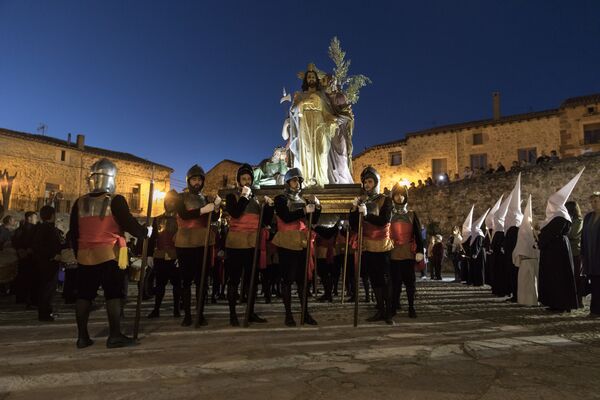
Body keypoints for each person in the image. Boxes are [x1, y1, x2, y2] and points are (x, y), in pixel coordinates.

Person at [69, 159, 151, 349]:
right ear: (111, 178)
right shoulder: (116, 200)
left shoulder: (79, 202)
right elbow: (129, 223)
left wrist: (79, 253)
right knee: (113, 295)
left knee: (84, 296)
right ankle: (114, 336)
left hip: (84, 256)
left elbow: (74, 233)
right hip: (109, 255)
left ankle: (82, 337)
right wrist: (145, 232)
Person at [224, 164, 273, 326]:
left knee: (252, 280)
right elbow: (236, 212)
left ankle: (250, 312)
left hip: (252, 243)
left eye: (249, 179)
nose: (246, 181)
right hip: (236, 244)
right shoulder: (232, 197)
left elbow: (265, 222)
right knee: (234, 279)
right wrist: (244, 197)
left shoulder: (256, 199)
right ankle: (232, 314)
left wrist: (269, 207)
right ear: (239, 180)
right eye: (243, 179)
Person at [272, 168, 321, 326]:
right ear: (287, 182)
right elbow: (285, 217)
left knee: (302, 281)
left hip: (302, 242)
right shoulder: (280, 199)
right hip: (286, 242)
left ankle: (305, 313)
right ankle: (288, 314)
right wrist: (304, 210)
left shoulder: (304, 200)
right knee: (287, 280)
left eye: (299, 181)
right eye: (294, 180)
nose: (297, 183)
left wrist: (317, 208)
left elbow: (312, 220)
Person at [174, 164, 221, 327]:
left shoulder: (206, 198)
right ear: (189, 181)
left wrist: (216, 206)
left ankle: (200, 313)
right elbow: (184, 214)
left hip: (202, 241)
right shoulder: (181, 198)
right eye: (194, 179)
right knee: (185, 281)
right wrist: (202, 210)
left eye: (199, 179)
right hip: (185, 241)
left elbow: (214, 218)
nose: (197, 182)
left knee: (202, 280)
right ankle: (187, 314)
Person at [350, 166, 394, 324]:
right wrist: (354, 210)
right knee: (374, 280)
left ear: (376, 182)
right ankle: (380, 310)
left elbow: (384, 220)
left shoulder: (385, 200)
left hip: (382, 245)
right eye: (365, 182)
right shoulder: (362, 201)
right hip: (367, 245)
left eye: (370, 181)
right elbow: (354, 225)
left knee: (385, 280)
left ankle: (388, 313)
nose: (367, 184)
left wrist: (367, 215)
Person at [538, 169, 584, 313]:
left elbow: (551, 234)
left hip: (557, 251)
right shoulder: (559, 216)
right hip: (557, 250)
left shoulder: (560, 216)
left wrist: (540, 239)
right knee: (555, 277)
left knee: (559, 277)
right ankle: (555, 302)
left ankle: (561, 304)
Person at [288, 64, 340, 187]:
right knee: (308, 152)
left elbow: (326, 112)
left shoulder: (322, 95)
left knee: (322, 152)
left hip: (320, 123)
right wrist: (304, 102)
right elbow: (293, 110)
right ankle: (309, 179)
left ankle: (321, 180)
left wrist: (332, 119)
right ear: (306, 80)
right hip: (305, 124)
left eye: (313, 77)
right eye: (309, 77)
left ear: (316, 79)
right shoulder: (299, 95)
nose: (311, 79)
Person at [388, 183, 424, 318]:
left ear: (406, 197)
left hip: (408, 253)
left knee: (410, 282)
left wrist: (420, 250)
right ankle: (393, 306)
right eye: (397, 194)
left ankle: (411, 307)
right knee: (395, 282)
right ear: (393, 196)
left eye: (402, 194)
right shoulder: (389, 214)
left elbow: (418, 234)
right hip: (393, 252)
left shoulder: (412, 214)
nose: (399, 197)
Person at [146, 190, 181, 319]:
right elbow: (152, 237)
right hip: (160, 256)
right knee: (159, 285)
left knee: (177, 286)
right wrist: (149, 254)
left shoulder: (181, 220)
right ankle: (156, 309)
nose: (170, 203)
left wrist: (181, 256)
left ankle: (176, 309)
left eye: (172, 201)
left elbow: (183, 239)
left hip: (175, 256)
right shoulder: (157, 219)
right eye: (168, 201)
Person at [32, 205, 64, 321]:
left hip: (49, 263)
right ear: (52, 215)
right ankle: (44, 313)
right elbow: (39, 246)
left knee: (49, 289)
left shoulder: (46, 227)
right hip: (48, 263)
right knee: (47, 289)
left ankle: (47, 311)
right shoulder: (46, 228)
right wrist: (52, 255)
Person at [512, 194, 539, 306]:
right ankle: (532, 301)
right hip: (531, 261)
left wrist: (517, 258)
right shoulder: (528, 233)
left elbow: (518, 250)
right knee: (531, 282)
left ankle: (527, 301)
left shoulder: (525, 233)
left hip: (527, 261)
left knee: (528, 282)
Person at [12, 211, 38, 306]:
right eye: (35, 218)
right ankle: (29, 300)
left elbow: (14, 241)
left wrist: (19, 250)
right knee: (30, 279)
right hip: (30, 257)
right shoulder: (33, 230)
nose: (36, 220)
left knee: (21, 277)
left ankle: (20, 298)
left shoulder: (19, 229)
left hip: (22, 257)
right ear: (29, 218)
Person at [504, 174, 523, 302]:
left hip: (514, 255)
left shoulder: (514, 227)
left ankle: (516, 295)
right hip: (514, 254)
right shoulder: (516, 225)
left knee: (515, 274)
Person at [582, 191, 600, 317]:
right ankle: (594, 310)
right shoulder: (588, 217)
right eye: (592, 201)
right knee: (593, 283)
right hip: (590, 255)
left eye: (597, 201)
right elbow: (583, 236)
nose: (594, 204)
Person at [566, 201, 584, 308]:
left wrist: (563, 232)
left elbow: (573, 234)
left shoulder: (579, 221)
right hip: (568, 252)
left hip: (575, 252)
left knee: (577, 277)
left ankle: (579, 300)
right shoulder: (569, 220)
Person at [470, 210, 490, 286]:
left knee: (480, 268)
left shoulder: (479, 235)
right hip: (478, 254)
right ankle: (476, 281)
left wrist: (475, 253)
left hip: (479, 254)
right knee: (477, 268)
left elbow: (478, 245)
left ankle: (480, 282)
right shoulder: (476, 235)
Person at [460, 206, 474, 284]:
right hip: (464, 254)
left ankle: (469, 280)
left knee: (468, 267)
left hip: (468, 254)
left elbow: (469, 245)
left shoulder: (470, 236)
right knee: (464, 267)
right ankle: (464, 279)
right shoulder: (464, 236)